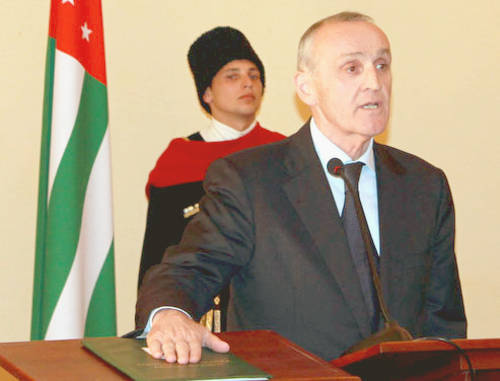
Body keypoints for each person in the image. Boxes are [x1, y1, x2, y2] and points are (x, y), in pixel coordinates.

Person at [136, 12, 466, 364]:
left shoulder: (424, 185)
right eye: (352, 68)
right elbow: (190, 268)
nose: (374, 82)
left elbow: (442, 323)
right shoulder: (250, 180)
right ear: (306, 87)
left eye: (382, 65)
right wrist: (170, 315)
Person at [138, 26, 285, 292]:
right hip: (202, 306)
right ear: (207, 93)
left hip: (275, 302)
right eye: (232, 76)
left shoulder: (283, 153)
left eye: (254, 75)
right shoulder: (178, 162)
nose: (247, 83)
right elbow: (158, 255)